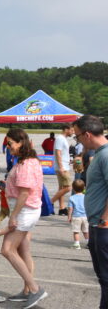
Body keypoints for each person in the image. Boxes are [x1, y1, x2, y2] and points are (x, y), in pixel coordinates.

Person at [0, 128, 47, 308]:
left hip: (24, 211)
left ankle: (35, 289)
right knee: (23, 250)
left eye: (10, 143)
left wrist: (13, 216)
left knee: (7, 249)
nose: (8, 147)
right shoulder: (28, 161)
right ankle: (27, 290)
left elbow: (25, 193)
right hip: (26, 210)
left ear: (20, 142)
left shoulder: (27, 164)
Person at [72, 115, 108, 308]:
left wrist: (104, 220)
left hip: (103, 226)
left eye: (77, 136)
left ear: (86, 134)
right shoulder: (99, 153)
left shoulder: (105, 154)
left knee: (106, 277)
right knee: (103, 278)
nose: (77, 141)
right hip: (97, 224)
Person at [51, 124, 74, 215]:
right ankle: (50, 202)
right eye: (72, 130)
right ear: (66, 129)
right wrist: (61, 167)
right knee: (68, 187)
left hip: (64, 165)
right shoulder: (60, 138)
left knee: (62, 187)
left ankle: (61, 208)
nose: (73, 132)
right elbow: (58, 152)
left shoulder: (62, 139)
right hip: (62, 167)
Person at [68, 179, 89, 249]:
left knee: (76, 231)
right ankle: (88, 243)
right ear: (84, 188)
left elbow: (70, 209)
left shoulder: (72, 198)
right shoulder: (86, 197)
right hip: (85, 216)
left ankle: (77, 244)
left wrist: (69, 217)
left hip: (76, 216)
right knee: (86, 231)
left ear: (73, 188)